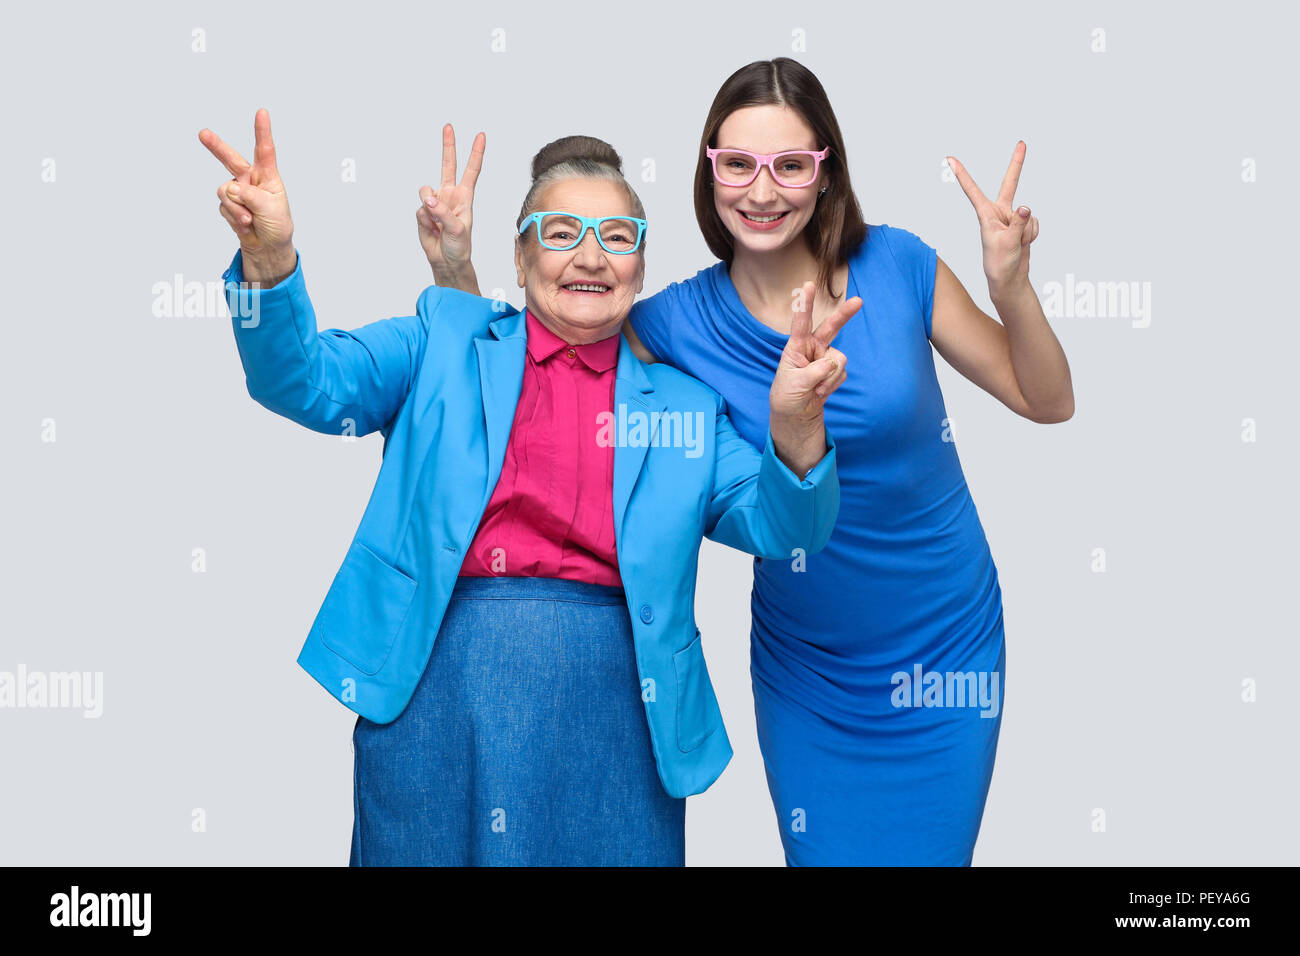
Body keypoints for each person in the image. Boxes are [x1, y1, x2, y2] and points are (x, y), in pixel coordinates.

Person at [421, 58, 1075, 865]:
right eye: (738, 165)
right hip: (810, 664)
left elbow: (1046, 399)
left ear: (825, 172)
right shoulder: (670, 323)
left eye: (790, 165)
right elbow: (534, 379)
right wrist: (456, 269)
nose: (762, 193)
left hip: (945, 642)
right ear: (709, 169)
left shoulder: (899, 264)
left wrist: (1011, 286)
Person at [198, 108, 859, 866]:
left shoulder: (685, 410)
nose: (591, 255)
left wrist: (797, 422)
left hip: (624, 714)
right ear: (518, 257)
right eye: (560, 232)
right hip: (433, 697)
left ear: (641, 268)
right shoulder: (441, 340)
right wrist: (269, 264)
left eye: (617, 238)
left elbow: (788, 530)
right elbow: (301, 382)